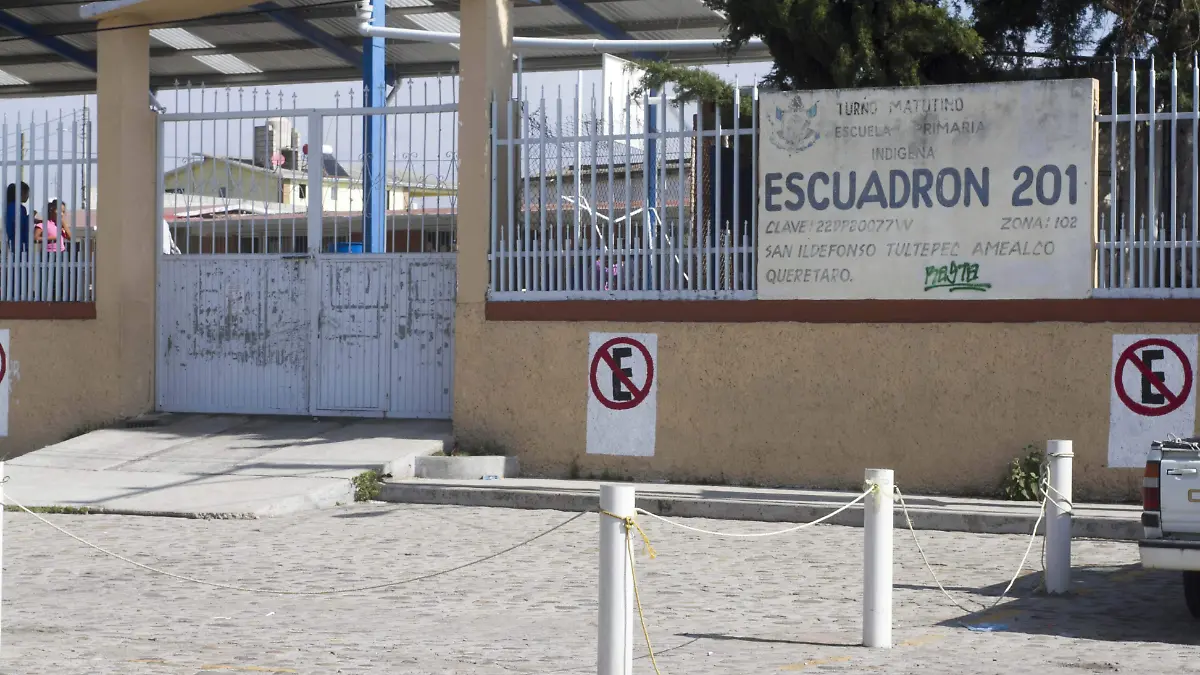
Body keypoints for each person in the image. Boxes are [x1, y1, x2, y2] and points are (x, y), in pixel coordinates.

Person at [4, 182, 31, 251]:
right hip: (20, 244)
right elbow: (19, 224)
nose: (28, 196)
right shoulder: (18, 208)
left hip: (14, 243)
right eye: (27, 193)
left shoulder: (10, 207)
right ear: (21, 193)